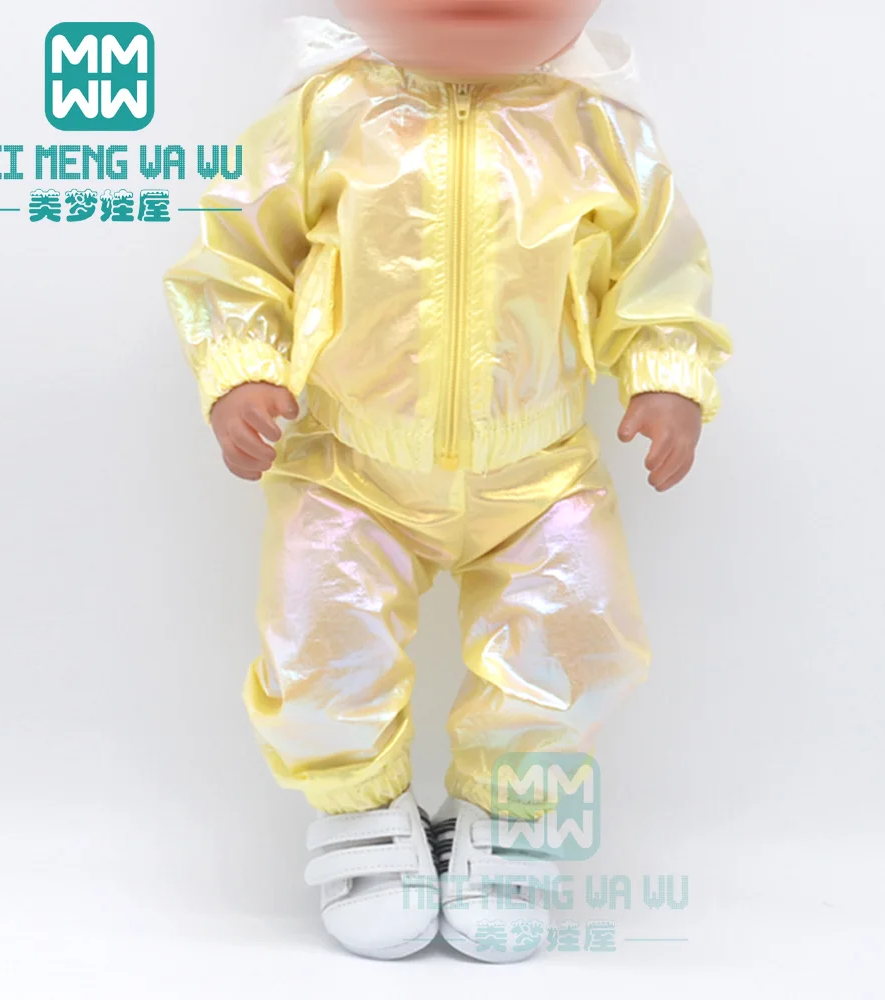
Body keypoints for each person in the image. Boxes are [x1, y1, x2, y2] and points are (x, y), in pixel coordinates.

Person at [162, 0, 732, 962]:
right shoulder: (324, 115)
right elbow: (239, 255)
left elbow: (656, 271)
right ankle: (359, 810)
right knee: (317, 630)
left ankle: (505, 815)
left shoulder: (597, 131)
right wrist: (242, 368)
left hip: (540, 473)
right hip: (347, 465)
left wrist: (667, 375)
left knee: (578, 630)